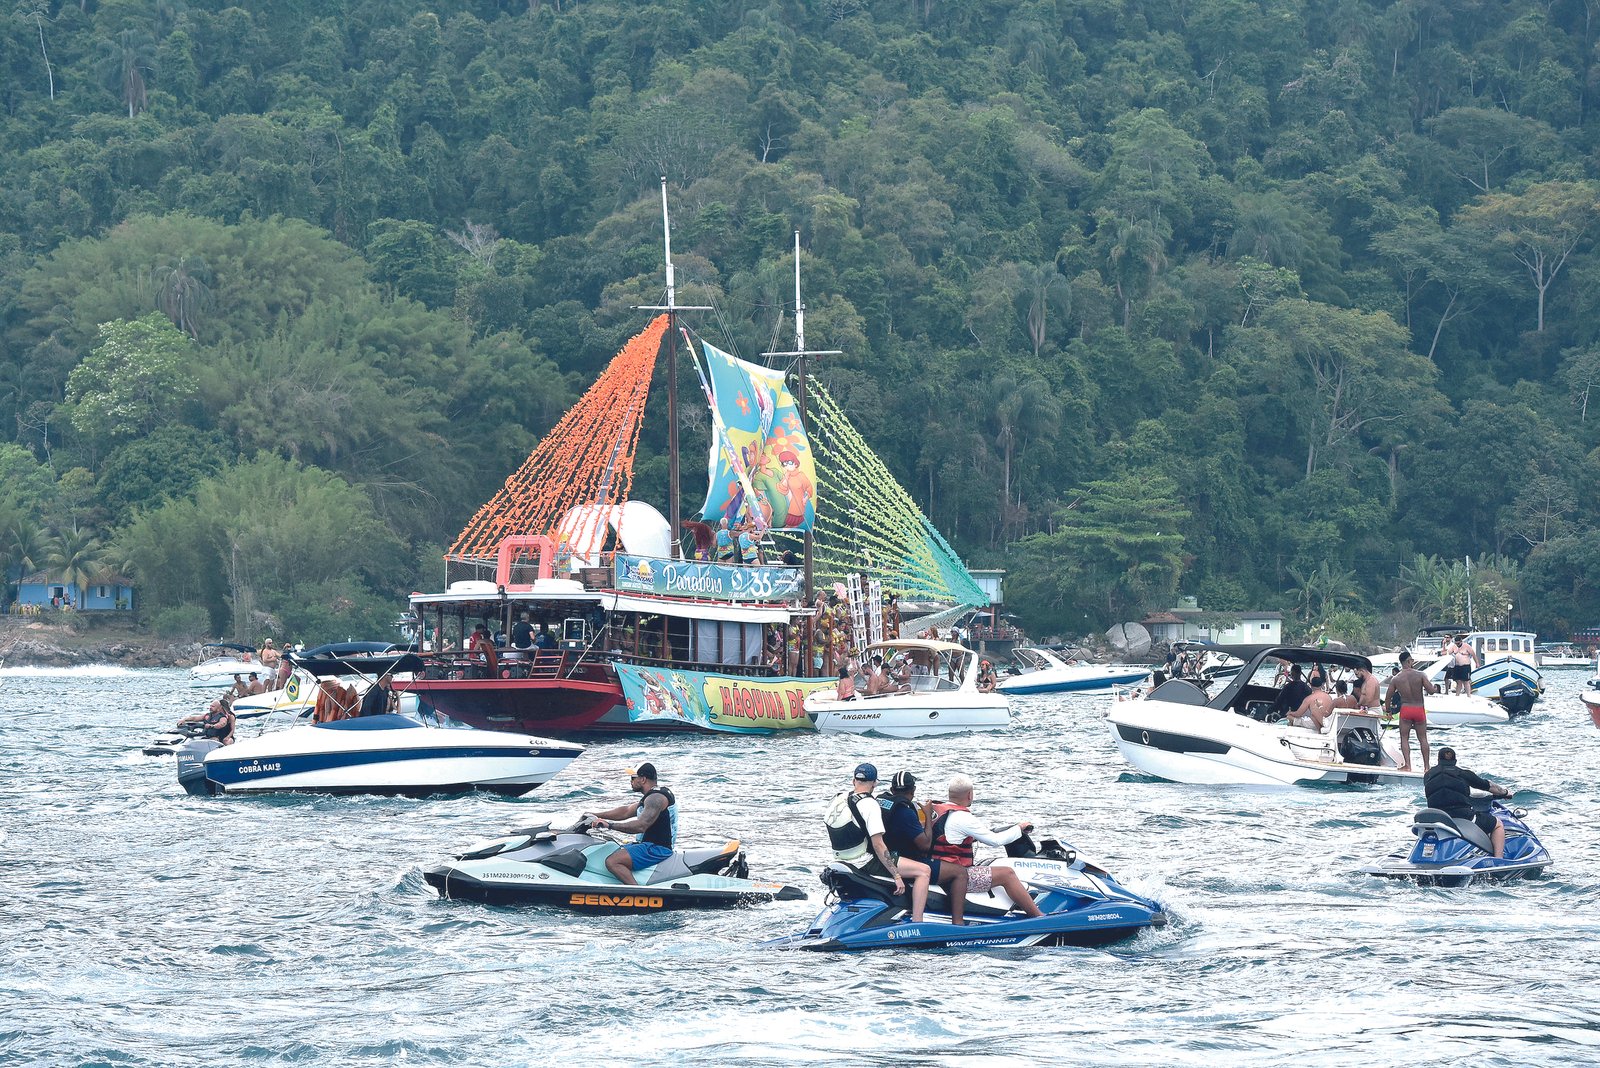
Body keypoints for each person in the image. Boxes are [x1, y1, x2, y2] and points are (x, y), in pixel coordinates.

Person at [824, 763, 930, 922]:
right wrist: (896, 875)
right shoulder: (869, 804)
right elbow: (878, 845)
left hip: (841, 861)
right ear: (874, 783)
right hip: (865, 863)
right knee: (924, 871)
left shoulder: (838, 799)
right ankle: (918, 922)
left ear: (854, 780)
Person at [930, 775, 1044, 920]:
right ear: (970, 795)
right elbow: (995, 841)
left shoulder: (938, 812)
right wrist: (1019, 828)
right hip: (956, 877)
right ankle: (1038, 916)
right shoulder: (963, 817)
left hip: (939, 870)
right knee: (1007, 874)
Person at [880, 771, 969, 922]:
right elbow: (925, 845)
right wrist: (928, 815)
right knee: (960, 872)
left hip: (889, 854)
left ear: (892, 790)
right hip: (904, 859)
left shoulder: (885, 805)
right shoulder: (905, 813)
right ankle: (958, 923)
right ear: (913, 790)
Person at [585, 763, 678, 886]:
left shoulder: (656, 798)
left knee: (613, 861)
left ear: (643, 779)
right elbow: (625, 811)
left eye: (633, 778)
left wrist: (610, 825)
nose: (631, 781)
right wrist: (594, 815)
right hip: (647, 845)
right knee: (610, 847)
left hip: (657, 849)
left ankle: (639, 893)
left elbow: (641, 825)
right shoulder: (652, 796)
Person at [1424, 747, 1513, 858]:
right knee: (1497, 824)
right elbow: (1489, 786)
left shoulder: (1428, 775)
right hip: (1462, 817)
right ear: (1455, 761)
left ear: (1438, 760)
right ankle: (1499, 859)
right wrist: (1505, 793)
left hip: (1437, 818)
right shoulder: (1462, 774)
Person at [1388, 650, 1439, 772]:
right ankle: (1426, 767)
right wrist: (1435, 688)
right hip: (1419, 709)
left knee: (1404, 738)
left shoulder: (1396, 679)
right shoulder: (1420, 675)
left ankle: (1408, 765)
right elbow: (1431, 691)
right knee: (1423, 739)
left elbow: (1388, 697)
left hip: (1406, 709)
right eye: (1412, 660)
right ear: (1408, 661)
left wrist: (1389, 711)